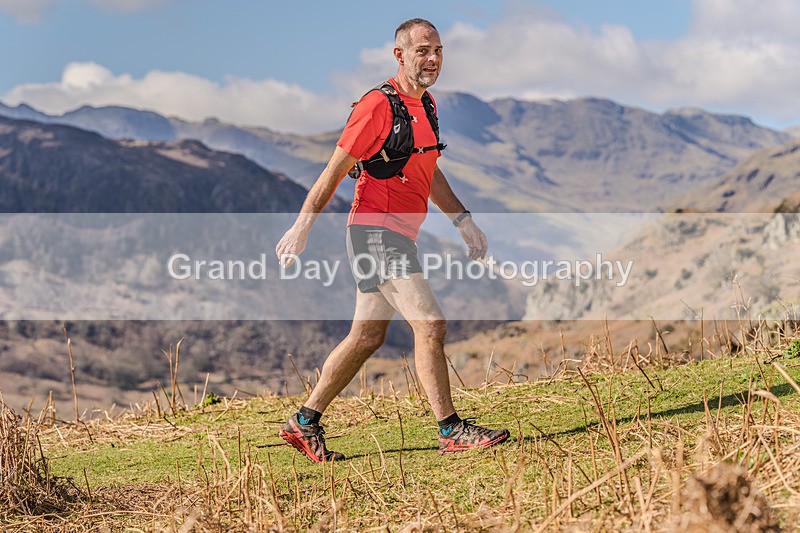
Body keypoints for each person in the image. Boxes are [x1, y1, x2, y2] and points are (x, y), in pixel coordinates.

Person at [275, 18, 509, 462]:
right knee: (430, 324)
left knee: (366, 338)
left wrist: (463, 220)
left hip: (398, 233)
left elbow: (428, 171)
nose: (433, 58)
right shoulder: (376, 106)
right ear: (399, 54)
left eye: (438, 49)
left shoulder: (427, 105)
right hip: (375, 233)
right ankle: (450, 430)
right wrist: (302, 226)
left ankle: (303, 423)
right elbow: (334, 170)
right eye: (422, 50)